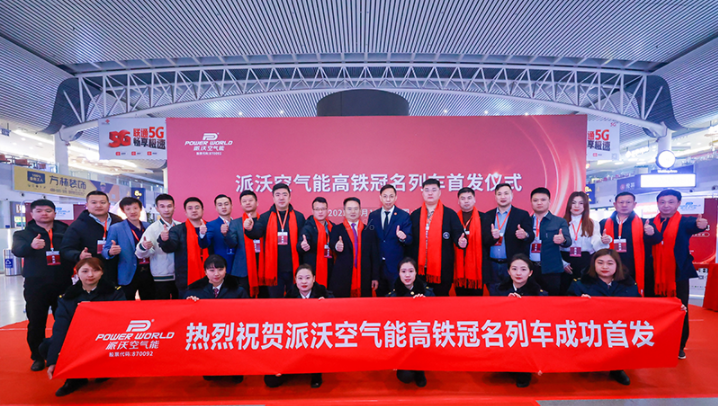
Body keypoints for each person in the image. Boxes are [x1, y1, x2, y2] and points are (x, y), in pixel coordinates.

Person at [43, 258, 125, 396]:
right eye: (85, 271)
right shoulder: (67, 298)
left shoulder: (115, 293)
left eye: (95, 270)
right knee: (47, 345)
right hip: (78, 341)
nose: (90, 275)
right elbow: (60, 328)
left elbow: (120, 322)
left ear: (102, 272)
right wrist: (53, 360)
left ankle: (104, 370)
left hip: (105, 339)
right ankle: (75, 378)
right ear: (77, 273)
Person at [12, 199, 74, 372]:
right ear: (32, 214)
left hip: (63, 282)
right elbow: (17, 250)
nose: (44, 214)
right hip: (36, 284)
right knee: (36, 321)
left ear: (54, 213)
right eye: (39, 211)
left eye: (48, 210)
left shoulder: (66, 231)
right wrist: (30, 246)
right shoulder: (23, 233)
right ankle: (38, 356)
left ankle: (62, 352)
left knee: (65, 320)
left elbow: (72, 249)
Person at [647, 189, 708, 360]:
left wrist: (702, 225)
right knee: (654, 309)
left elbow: (697, 225)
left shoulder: (686, 222)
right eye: (662, 202)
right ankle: (654, 341)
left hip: (678, 274)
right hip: (653, 274)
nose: (666, 205)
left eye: (671, 202)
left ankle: (679, 345)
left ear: (679, 203)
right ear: (657, 203)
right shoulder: (649, 223)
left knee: (680, 309)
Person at [567, 249, 642, 385]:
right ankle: (587, 362)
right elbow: (567, 306)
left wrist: (675, 309)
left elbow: (641, 307)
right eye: (600, 263)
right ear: (594, 265)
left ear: (617, 265)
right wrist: (578, 302)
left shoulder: (628, 284)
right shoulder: (581, 283)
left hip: (617, 328)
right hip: (591, 328)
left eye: (610, 263)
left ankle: (617, 368)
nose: (605, 267)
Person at [265, 264, 331, 389]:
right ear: (295, 280)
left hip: (316, 336)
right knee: (270, 381)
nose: (304, 282)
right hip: (295, 337)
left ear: (314, 278)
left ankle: (316, 373)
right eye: (300, 278)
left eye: (307, 278)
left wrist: (327, 305)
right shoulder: (290, 295)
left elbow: (336, 310)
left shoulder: (322, 292)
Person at [184, 255, 248, 382]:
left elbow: (248, 312)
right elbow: (185, 316)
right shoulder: (195, 290)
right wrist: (190, 304)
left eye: (220, 269)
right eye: (211, 270)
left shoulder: (238, 290)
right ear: (205, 272)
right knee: (210, 376)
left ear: (226, 270)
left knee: (236, 376)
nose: (216, 274)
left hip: (231, 333)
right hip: (208, 335)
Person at [489, 254, 546, 388]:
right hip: (504, 329)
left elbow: (542, 317)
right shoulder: (498, 290)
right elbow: (491, 314)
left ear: (530, 272)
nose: (518, 273)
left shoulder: (540, 293)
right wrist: (505, 304)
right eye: (514, 269)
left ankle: (525, 370)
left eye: (523, 269)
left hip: (527, 332)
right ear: (508, 271)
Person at [244, 183, 306, 298]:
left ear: (290, 197)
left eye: (284, 194)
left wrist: (304, 244)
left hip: (294, 268)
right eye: (277, 195)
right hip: (274, 270)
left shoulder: (299, 217)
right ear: (273, 198)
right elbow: (256, 234)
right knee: (276, 301)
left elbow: (303, 238)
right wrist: (249, 229)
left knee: (294, 302)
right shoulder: (265, 217)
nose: (281, 197)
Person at [408, 179, 465, 296]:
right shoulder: (415, 215)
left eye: (434, 190)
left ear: (439, 193)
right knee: (420, 300)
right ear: (422, 193)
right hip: (420, 269)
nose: (430, 193)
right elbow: (410, 241)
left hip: (442, 269)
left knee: (440, 301)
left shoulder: (449, 214)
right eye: (427, 190)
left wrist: (461, 242)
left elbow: (458, 235)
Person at [599, 191, 662, 293]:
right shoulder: (603, 223)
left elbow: (657, 240)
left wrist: (651, 233)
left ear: (634, 204)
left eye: (628, 202)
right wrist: (601, 241)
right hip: (611, 267)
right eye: (621, 202)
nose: (624, 205)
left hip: (635, 268)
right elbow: (596, 246)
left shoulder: (645, 223)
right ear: (615, 204)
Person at [388, 257, 433, 387]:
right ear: (399, 273)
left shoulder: (427, 293)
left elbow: (436, 318)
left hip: (421, 340)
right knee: (405, 377)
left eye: (411, 271)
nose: (407, 275)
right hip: (403, 343)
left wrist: (425, 303)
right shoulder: (392, 297)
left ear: (416, 272)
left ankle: (420, 369)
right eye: (403, 271)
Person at [60, 191, 123, 283]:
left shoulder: (119, 222)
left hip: (120, 272)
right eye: (94, 202)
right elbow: (66, 249)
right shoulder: (77, 225)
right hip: (92, 274)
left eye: (102, 202)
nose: (98, 205)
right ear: (87, 205)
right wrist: (79, 255)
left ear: (109, 205)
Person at [482, 183, 534, 286]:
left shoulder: (522, 214)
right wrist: (493, 237)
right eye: (499, 194)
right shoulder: (488, 215)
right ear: (495, 197)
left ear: (512, 195)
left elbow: (531, 236)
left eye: (506, 193)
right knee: (493, 292)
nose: (503, 197)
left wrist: (525, 235)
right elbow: (484, 240)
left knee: (512, 293)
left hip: (512, 265)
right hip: (492, 265)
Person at [367, 184, 413, 297]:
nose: (388, 199)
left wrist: (403, 237)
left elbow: (410, 240)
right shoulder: (373, 216)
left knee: (397, 298)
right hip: (378, 267)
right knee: (381, 300)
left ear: (396, 197)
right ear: (380, 197)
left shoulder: (403, 216)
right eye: (385, 196)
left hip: (395, 267)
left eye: (391, 196)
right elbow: (370, 241)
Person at [157, 197, 210, 296]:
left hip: (211, 276)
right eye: (190, 208)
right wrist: (165, 240)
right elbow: (170, 247)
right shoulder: (177, 230)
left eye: (197, 207)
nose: (194, 210)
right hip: (186, 278)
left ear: (202, 210)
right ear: (185, 212)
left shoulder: (211, 227)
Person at [328, 197, 380, 297]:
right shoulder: (337, 229)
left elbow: (374, 256)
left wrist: (375, 277)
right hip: (343, 277)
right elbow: (332, 244)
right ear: (344, 212)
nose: (353, 212)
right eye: (349, 209)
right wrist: (337, 246)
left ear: (360, 211)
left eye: (356, 209)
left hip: (364, 276)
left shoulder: (369, 230)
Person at [103, 197, 152, 300]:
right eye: (128, 209)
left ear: (140, 209)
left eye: (135, 208)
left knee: (149, 303)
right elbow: (105, 250)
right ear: (123, 211)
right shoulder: (116, 228)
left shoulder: (148, 226)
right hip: (128, 272)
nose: (132, 211)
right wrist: (110, 252)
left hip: (148, 271)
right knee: (127, 304)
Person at [559, 191, 608, 294]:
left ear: (585, 205)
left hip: (585, 260)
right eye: (573, 202)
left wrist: (603, 241)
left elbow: (596, 243)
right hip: (565, 260)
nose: (577, 206)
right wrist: (562, 263)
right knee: (565, 291)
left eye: (581, 203)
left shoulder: (593, 223)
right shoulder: (560, 222)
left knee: (585, 291)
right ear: (569, 205)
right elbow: (554, 246)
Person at [135, 193, 182, 299]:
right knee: (163, 305)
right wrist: (144, 247)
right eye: (162, 206)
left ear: (174, 207)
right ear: (157, 209)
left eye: (169, 206)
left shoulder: (180, 226)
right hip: (161, 275)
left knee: (180, 304)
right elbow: (139, 254)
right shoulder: (152, 228)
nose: (166, 209)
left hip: (180, 274)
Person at [528, 187, 571, 296]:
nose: (539, 203)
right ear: (531, 202)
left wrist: (563, 240)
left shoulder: (559, 221)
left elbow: (568, 241)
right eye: (535, 200)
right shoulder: (526, 221)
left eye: (543, 200)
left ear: (549, 201)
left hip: (551, 270)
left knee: (552, 300)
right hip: (530, 269)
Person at [225, 190, 261, 297]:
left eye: (250, 200)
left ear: (257, 203)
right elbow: (232, 244)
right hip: (243, 268)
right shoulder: (235, 223)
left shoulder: (264, 220)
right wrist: (226, 234)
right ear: (241, 205)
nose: (248, 203)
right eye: (244, 201)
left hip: (263, 265)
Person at [454, 187, 487, 296]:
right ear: (458, 201)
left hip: (477, 268)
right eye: (463, 198)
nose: (466, 201)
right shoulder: (453, 218)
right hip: (458, 266)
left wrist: (494, 237)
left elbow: (487, 241)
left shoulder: (484, 217)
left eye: (469, 198)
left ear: (474, 200)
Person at [298, 197, 335, 289]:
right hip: (313, 269)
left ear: (327, 210)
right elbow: (299, 246)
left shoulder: (332, 227)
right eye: (317, 209)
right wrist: (303, 246)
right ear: (313, 211)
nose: (320, 212)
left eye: (323, 209)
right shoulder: (307, 227)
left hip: (329, 267)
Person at [206, 194, 240, 277]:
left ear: (231, 206)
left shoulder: (238, 224)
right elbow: (205, 244)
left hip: (238, 265)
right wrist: (202, 235)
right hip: (221, 266)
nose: (223, 207)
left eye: (226, 204)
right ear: (216, 208)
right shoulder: (211, 225)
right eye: (220, 205)